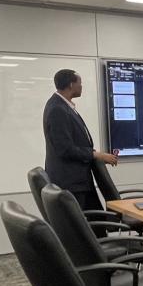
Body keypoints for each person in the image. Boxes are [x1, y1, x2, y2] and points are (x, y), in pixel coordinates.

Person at [43, 69, 118, 210]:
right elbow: (65, 149)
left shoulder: (64, 106)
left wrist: (97, 154)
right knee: (84, 228)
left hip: (79, 180)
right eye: (80, 83)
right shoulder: (57, 109)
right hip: (70, 183)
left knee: (95, 226)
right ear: (71, 85)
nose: (82, 86)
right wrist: (96, 154)